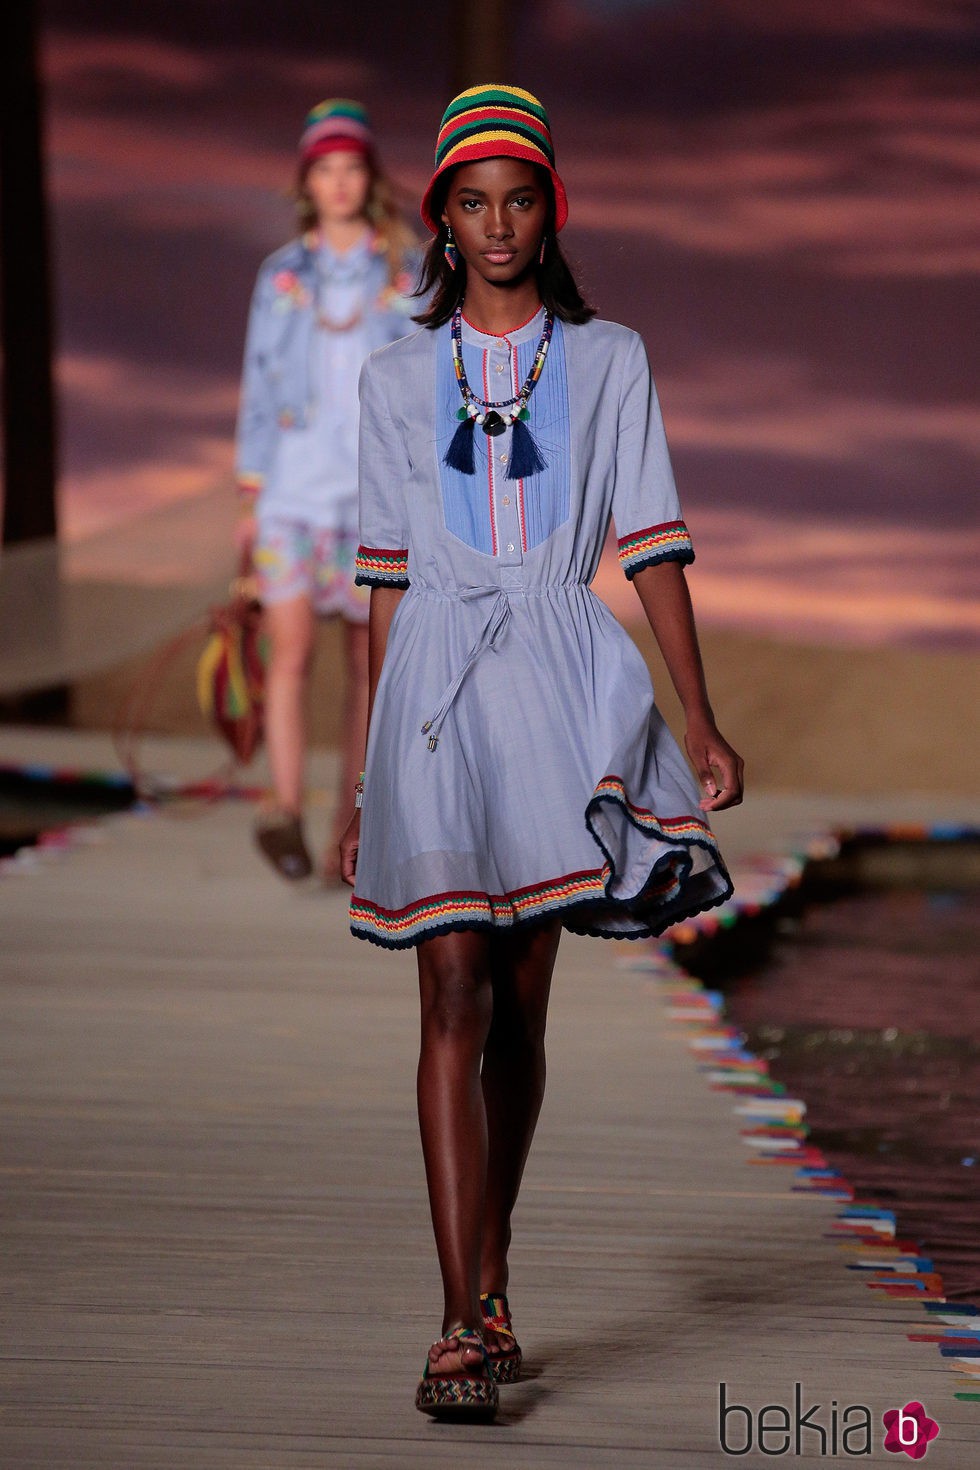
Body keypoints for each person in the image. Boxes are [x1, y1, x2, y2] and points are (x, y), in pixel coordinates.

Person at [340, 84, 744, 1420]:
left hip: (561, 685)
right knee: (450, 983)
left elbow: (654, 544)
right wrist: (360, 769)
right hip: (436, 693)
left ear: (546, 210)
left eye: (520, 200)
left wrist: (697, 714)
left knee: (516, 997)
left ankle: (493, 1256)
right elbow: (386, 579)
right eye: (472, 201)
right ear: (442, 219)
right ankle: (458, 1317)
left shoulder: (611, 356)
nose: (498, 224)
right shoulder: (394, 372)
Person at [235, 99, 419, 881]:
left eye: (351, 168)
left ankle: (352, 826)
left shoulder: (406, 271)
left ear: (367, 179)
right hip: (290, 493)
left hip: (372, 498)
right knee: (290, 653)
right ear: (307, 181)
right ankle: (282, 811)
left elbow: (420, 384)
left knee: (365, 663)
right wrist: (249, 495)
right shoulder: (279, 276)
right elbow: (256, 385)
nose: (339, 183)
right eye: (325, 169)